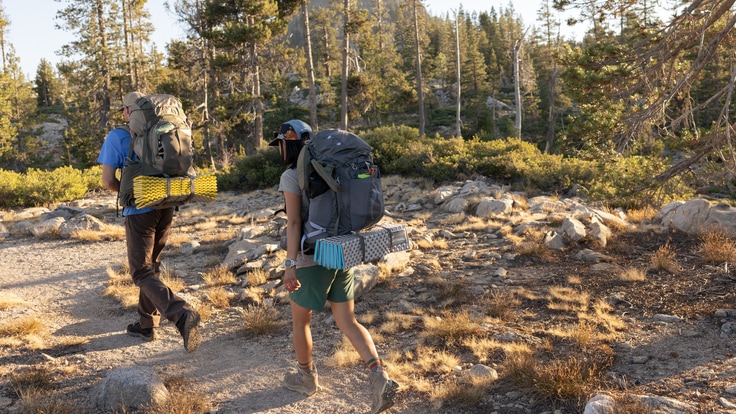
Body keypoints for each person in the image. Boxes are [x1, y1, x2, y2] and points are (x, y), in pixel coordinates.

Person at [271, 120, 399, 413]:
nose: (279, 149)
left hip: (310, 258)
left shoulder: (292, 176)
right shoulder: (331, 167)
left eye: (280, 144)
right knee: (347, 321)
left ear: (287, 144)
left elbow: (293, 223)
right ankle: (379, 374)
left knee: (301, 321)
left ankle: (306, 377)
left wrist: (290, 264)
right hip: (342, 252)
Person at [97, 91, 201, 353]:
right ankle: (146, 323)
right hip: (166, 205)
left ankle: (181, 314)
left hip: (139, 212)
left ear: (129, 112)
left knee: (141, 271)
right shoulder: (165, 131)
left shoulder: (118, 136)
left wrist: (130, 194)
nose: (123, 113)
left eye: (124, 109)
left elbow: (108, 180)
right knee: (151, 266)